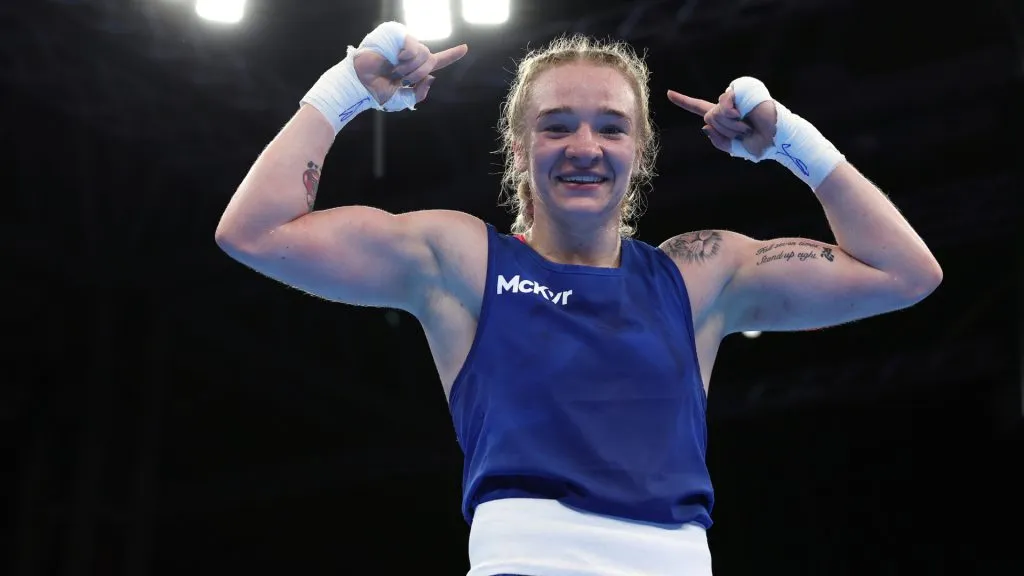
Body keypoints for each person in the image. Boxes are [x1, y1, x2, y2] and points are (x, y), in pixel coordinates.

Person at [214, 21, 942, 576]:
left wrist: (794, 142)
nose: (585, 146)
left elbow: (905, 273)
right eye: (557, 125)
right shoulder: (465, 263)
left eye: (611, 127)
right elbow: (256, 230)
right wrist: (348, 88)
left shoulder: (698, 275)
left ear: (642, 151)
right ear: (520, 148)